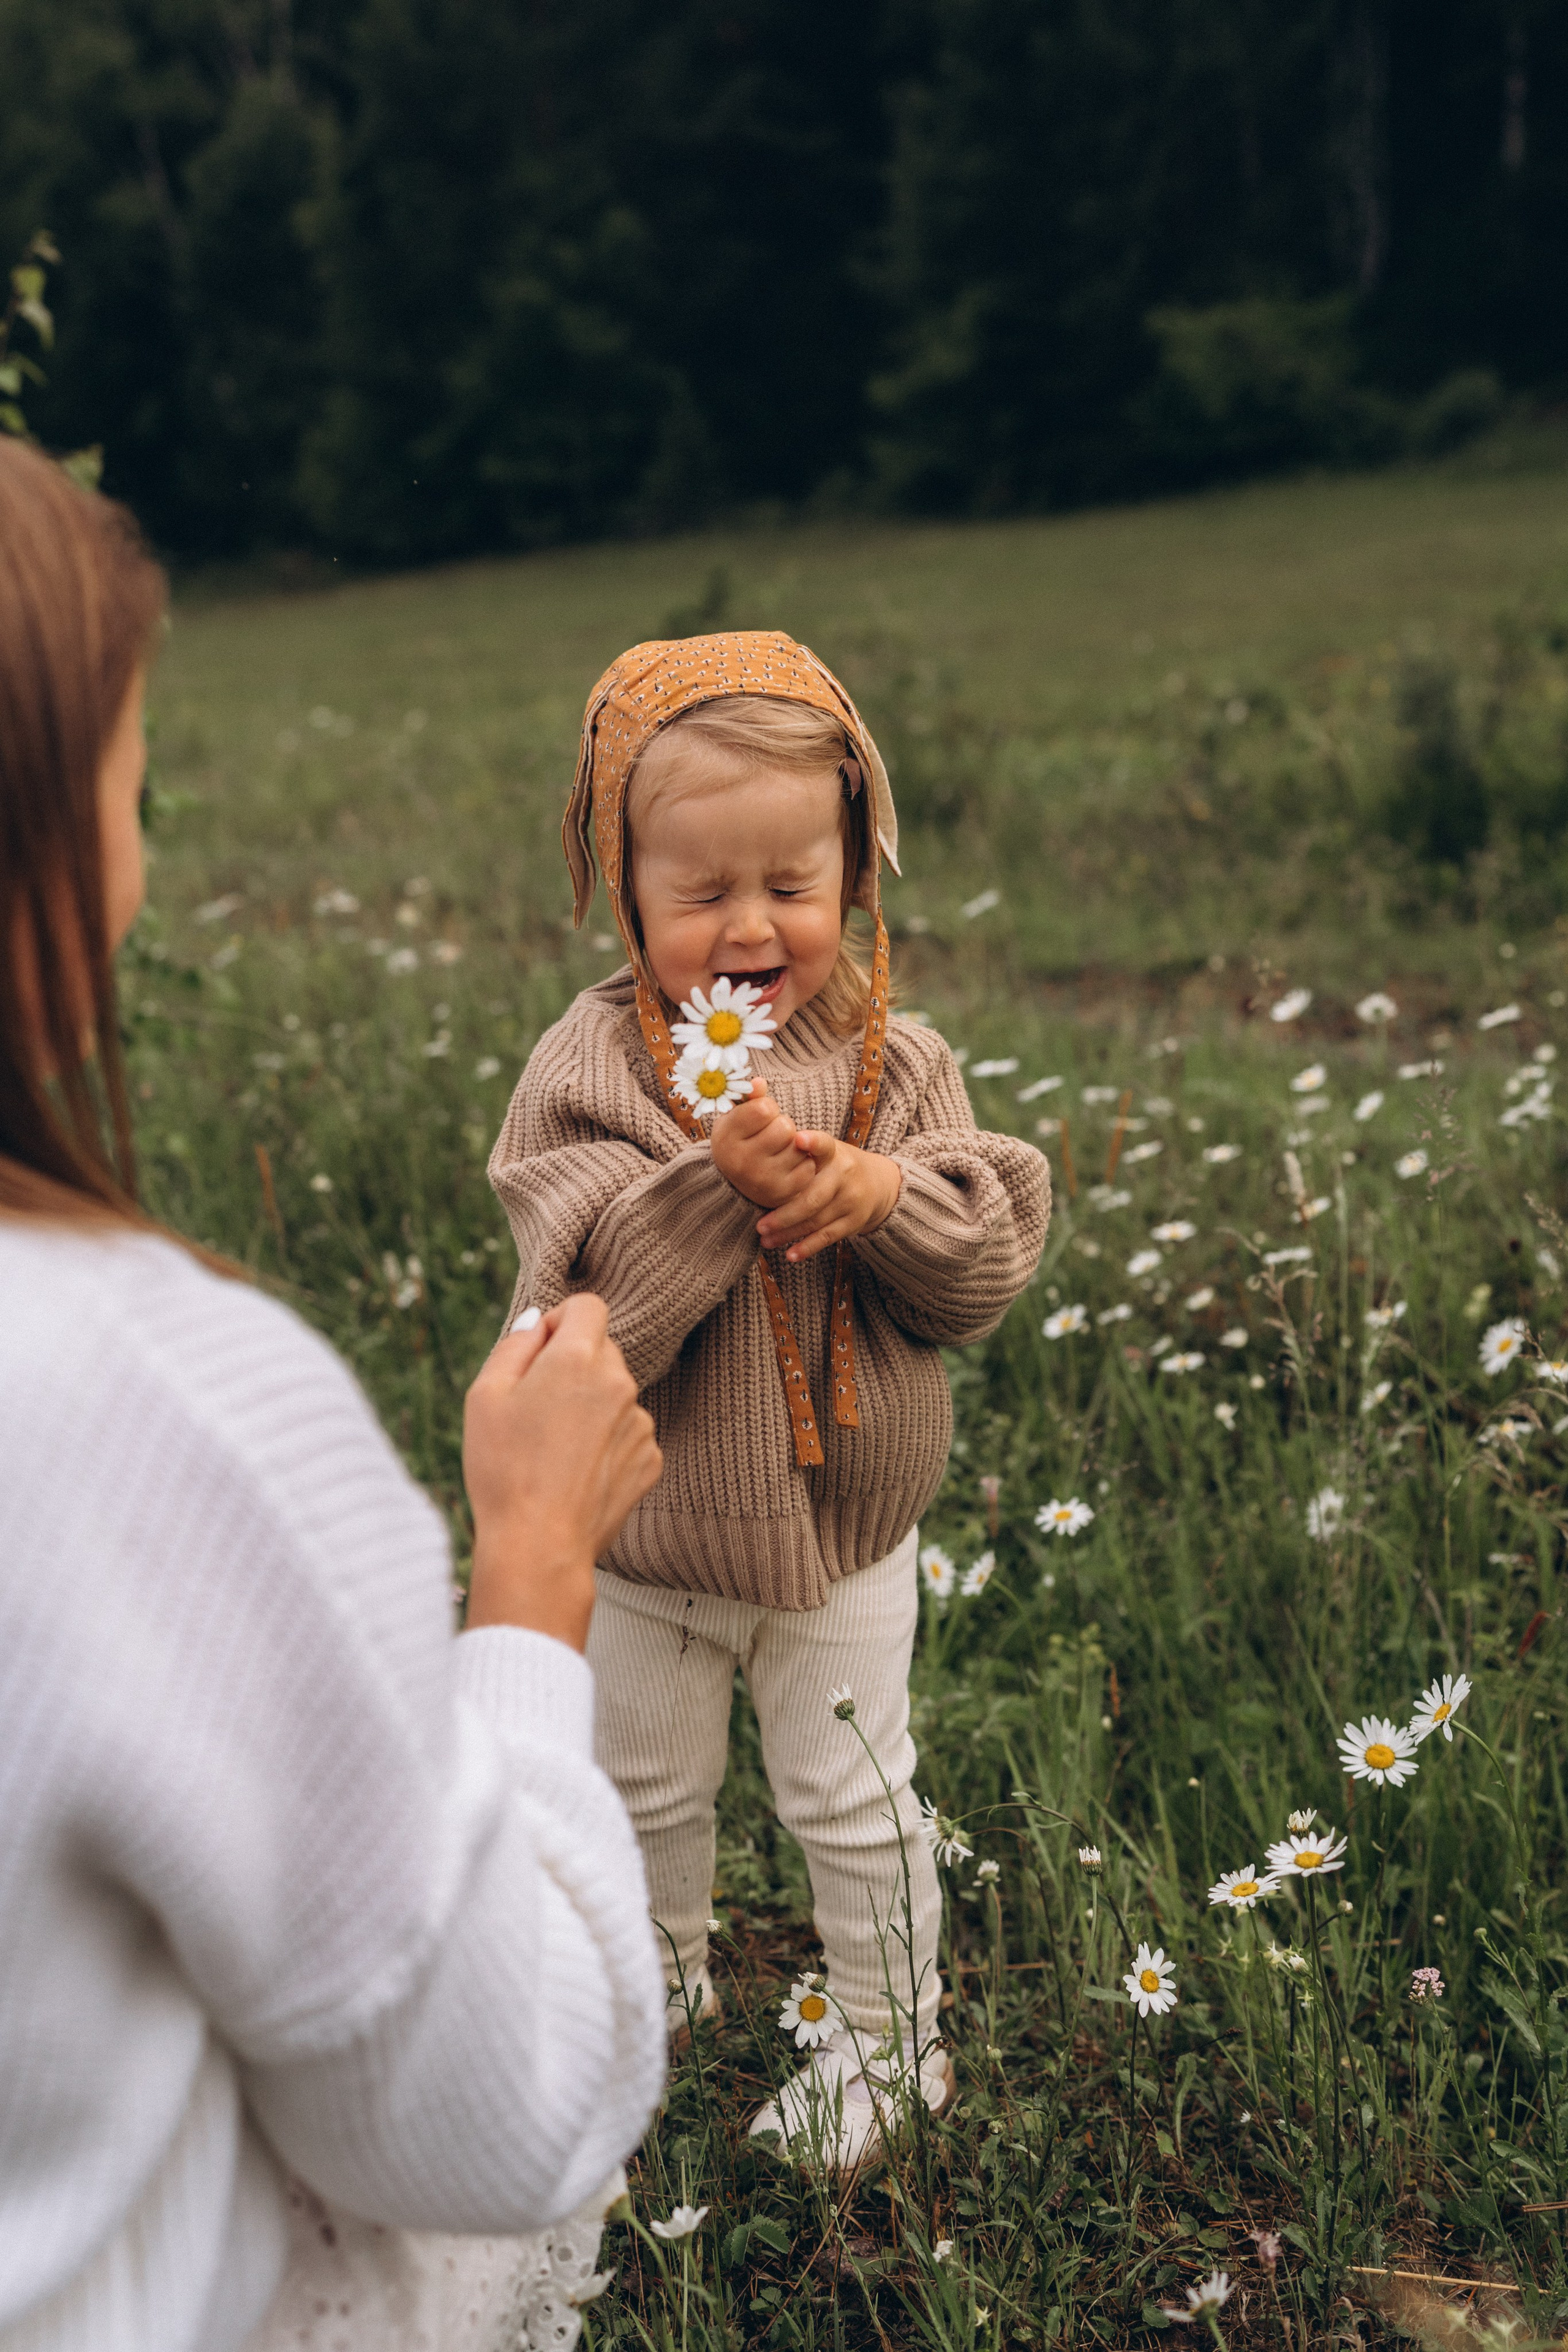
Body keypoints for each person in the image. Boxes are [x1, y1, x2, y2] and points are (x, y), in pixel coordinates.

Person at [0, 442, 666, 2351]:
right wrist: (530, 1577)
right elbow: (503, 2111)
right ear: (48, 860)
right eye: (130, 784)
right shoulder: (153, 1406)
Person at [488, 633, 1050, 2170]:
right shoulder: (588, 1074)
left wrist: (883, 1199)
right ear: (621, 887)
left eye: (790, 884)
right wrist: (705, 1196)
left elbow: (974, 1280)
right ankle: (649, 1992)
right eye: (700, 892)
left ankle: (889, 2039)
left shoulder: (895, 1066)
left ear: (855, 872)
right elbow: (574, 1311)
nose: (748, 928)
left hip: (847, 1531)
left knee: (853, 1796)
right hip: (648, 1532)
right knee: (638, 1789)